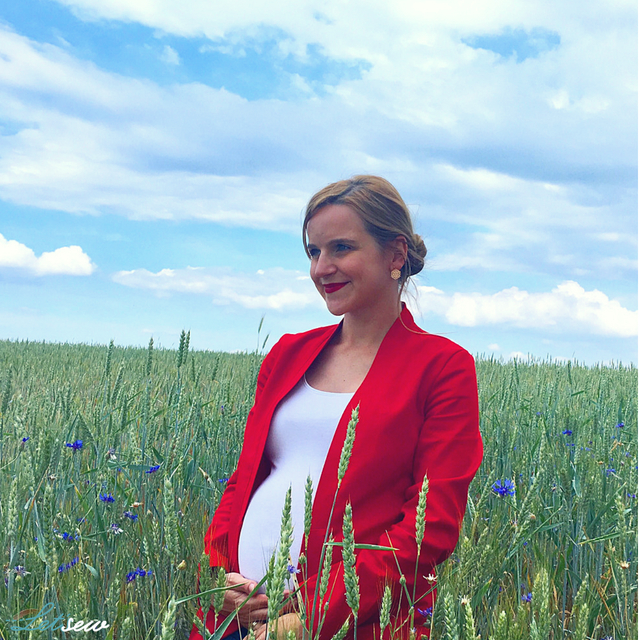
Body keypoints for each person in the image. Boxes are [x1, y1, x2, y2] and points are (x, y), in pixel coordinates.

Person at [191, 175, 483, 640]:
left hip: (348, 625)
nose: (321, 268)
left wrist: (308, 620)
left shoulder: (442, 367)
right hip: (234, 616)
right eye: (313, 251)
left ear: (396, 255)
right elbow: (243, 480)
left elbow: (429, 529)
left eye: (341, 248)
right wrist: (215, 575)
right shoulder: (287, 353)